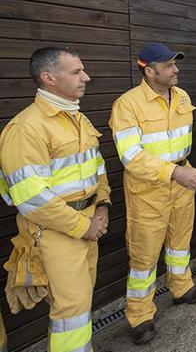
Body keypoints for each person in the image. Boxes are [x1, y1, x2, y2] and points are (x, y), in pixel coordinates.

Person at [0, 47, 111, 351]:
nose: (86, 77)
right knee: (71, 312)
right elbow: (31, 197)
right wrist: (83, 225)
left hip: (88, 225)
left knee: (80, 303)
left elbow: (97, 168)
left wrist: (102, 207)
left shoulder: (77, 118)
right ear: (48, 78)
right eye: (76, 71)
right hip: (56, 234)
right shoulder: (26, 128)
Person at [109, 43, 196, 345]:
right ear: (150, 71)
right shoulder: (127, 105)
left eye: (175, 64)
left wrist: (181, 170)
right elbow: (130, 156)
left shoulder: (182, 96)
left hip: (181, 182)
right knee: (144, 255)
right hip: (148, 189)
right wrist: (175, 172)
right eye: (168, 65)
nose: (176, 69)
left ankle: (181, 288)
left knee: (180, 242)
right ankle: (140, 316)